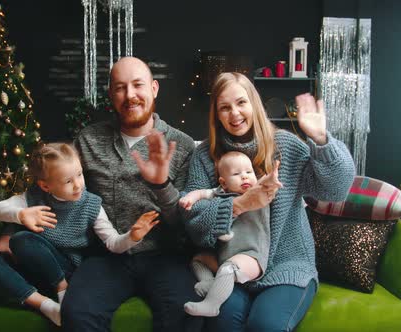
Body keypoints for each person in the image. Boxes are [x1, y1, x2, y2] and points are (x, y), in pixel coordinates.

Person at [179, 72, 356, 331]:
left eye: (241, 103)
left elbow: (337, 188)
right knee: (222, 321)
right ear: (216, 114)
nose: (234, 113)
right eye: (224, 107)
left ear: (254, 104)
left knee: (265, 325)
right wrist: (240, 204)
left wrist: (321, 139)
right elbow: (193, 221)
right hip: (233, 267)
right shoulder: (205, 156)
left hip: (287, 265)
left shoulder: (284, 145)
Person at [61, 57, 201, 332]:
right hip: (106, 256)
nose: (130, 95)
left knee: (187, 314)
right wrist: (12, 225)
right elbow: (55, 184)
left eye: (138, 85)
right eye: (120, 88)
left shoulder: (180, 144)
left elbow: (186, 222)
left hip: (165, 256)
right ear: (111, 94)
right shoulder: (88, 140)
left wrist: (161, 185)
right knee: (77, 314)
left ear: (154, 88)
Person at [0, 142, 159, 326]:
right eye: (68, 181)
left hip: (66, 271)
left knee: (22, 239)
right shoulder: (33, 197)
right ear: (45, 186)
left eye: (79, 175)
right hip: (33, 268)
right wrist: (21, 215)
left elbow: (112, 242)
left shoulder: (91, 204)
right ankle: (46, 306)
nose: (78, 185)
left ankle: (63, 290)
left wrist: (132, 237)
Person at [179, 151, 282, 317]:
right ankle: (209, 282)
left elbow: (265, 185)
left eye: (249, 172)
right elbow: (202, 193)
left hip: (251, 256)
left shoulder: (257, 193)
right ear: (223, 182)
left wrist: (270, 179)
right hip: (223, 255)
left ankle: (212, 304)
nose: (244, 177)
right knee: (199, 259)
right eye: (236, 174)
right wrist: (189, 198)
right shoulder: (220, 193)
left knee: (228, 269)